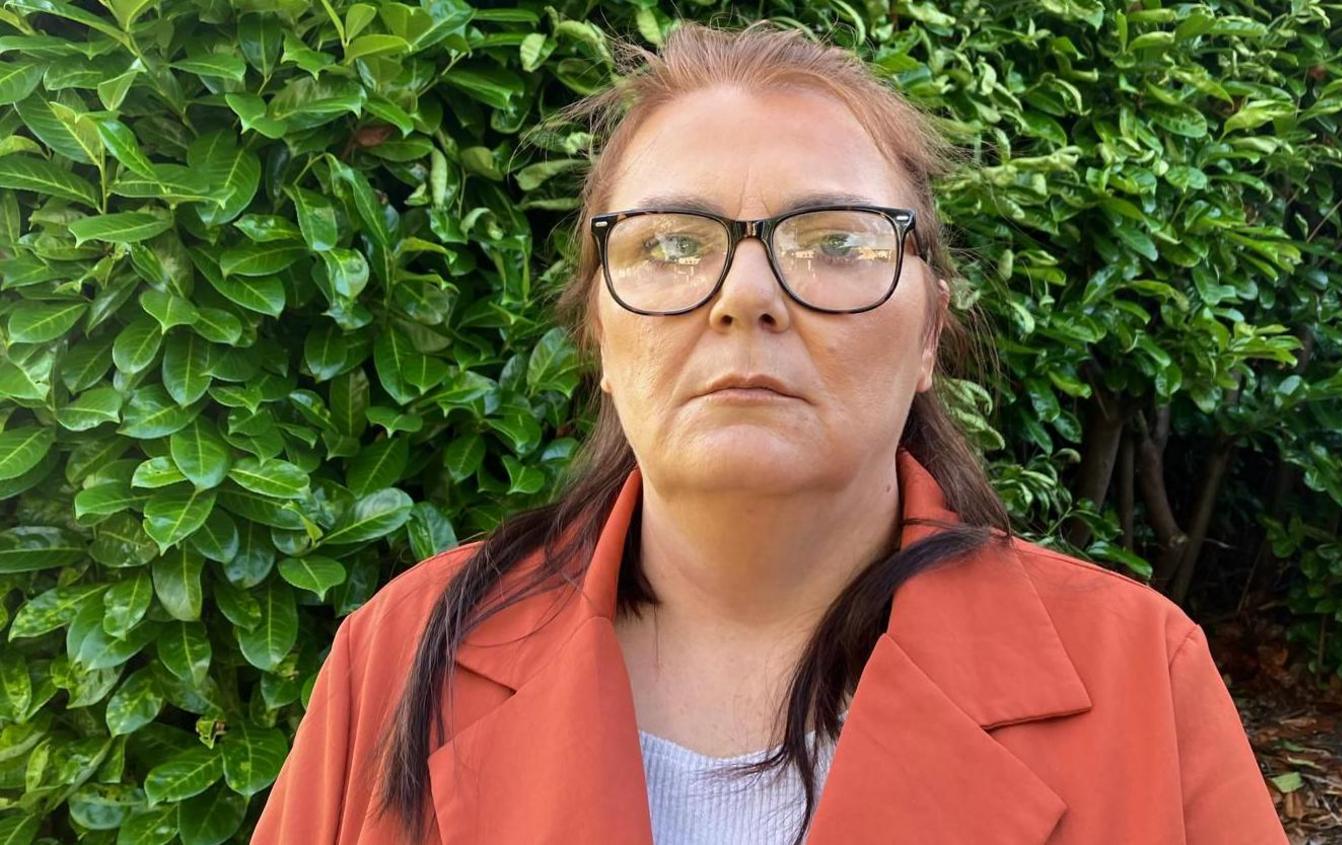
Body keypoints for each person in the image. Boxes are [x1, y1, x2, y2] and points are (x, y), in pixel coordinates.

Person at [251, 20, 1286, 845]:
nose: (746, 295)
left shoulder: (1137, 677)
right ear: (600, 335)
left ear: (929, 329)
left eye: (834, 240)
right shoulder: (397, 655)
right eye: (669, 243)